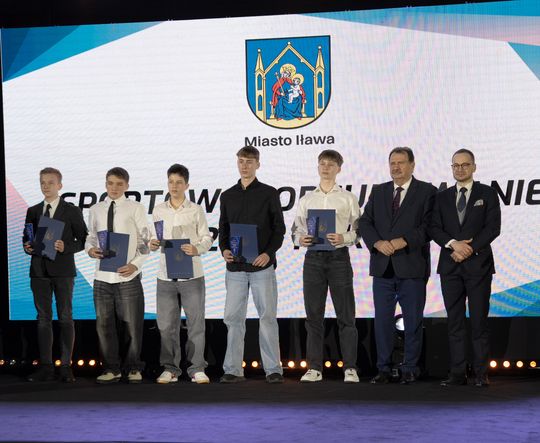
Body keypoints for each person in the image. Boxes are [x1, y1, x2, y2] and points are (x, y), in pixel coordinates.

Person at [358, 147, 436, 384]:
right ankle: (383, 368)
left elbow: (429, 226)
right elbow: (365, 222)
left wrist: (404, 241)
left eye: (401, 162)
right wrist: (377, 243)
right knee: (382, 322)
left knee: (413, 321)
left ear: (412, 165)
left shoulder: (427, 191)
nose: (396, 167)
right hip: (383, 267)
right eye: (392, 163)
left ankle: (410, 368)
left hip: (411, 266)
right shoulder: (379, 191)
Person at [429, 149, 501, 387]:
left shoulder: (487, 193)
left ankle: (481, 373)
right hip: (450, 266)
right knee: (455, 322)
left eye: (465, 164)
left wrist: (469, 248)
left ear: (474, 167)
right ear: (452, 168)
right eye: (456, 165)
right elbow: (434, 228)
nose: (460, 169)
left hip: (478, 265)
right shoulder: (441, 197)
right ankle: (458, 373)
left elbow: (493, 228)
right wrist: (453, 244)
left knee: (479, 322)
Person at [291, 150, 361, 383]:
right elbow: (296, 230)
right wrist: (300, 239)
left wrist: (344, 237)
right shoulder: (306, 199)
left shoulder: (348, 198)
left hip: (339, 257)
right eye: (322, 164)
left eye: (331, 164)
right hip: (313, 258)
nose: (326, 168)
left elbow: (359, 230)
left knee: (346, 315)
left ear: (339, 168)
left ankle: (350, 368)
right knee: (313, 316)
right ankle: (314, 368)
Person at [219, 146, 286, 384]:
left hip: (262, 267)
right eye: (241, 161)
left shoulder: (269, 193)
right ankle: (233, 369)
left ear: (258, 164)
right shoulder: (227, 195)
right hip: (235, 268)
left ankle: (273, 369)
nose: (244, 165)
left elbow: (279, 229)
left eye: (249, 161)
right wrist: (224, 250)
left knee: (267, 317)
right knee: (233, 318)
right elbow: (223, 229)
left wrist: (268, 254)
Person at [149, 164, 214, 384]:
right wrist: (152, 243)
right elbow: (153, 239)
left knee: (196, 324)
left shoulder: (195, 210)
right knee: (166, 325)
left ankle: (197, 368)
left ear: (187, 185)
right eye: (171, 182)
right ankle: (170, 369)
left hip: (192, 274)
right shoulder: (159, 210)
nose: (174, 186)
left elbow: (207, 238)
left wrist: (197, 248)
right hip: (165, 275)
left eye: (179, 182)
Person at [85, 167, 149, 384]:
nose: (114, 188)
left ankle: (133, 367)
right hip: (102, 276)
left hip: (127, 276)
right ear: (105, 184)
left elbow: (145, 241)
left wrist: (134, 265)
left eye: (119, 184)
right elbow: (91, 237)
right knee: (104, 325)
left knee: (132, 325)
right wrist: (90, 250)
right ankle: (111, 368)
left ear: (127, 186)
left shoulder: (136, 208)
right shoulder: (95, 209)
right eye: (111, 183)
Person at [24, 167, 87, 383]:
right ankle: (46, 367)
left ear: (60, 185)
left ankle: (66, 367)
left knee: (65, 317)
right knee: (43, 319)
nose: (46, 186)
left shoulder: (71, 210)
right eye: (42, 182)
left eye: (50, 182)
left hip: (63, 271)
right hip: (39, 272)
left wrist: (65, 246)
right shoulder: (33, 211)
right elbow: (27, 237)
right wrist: (27, 246)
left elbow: (84, 239)